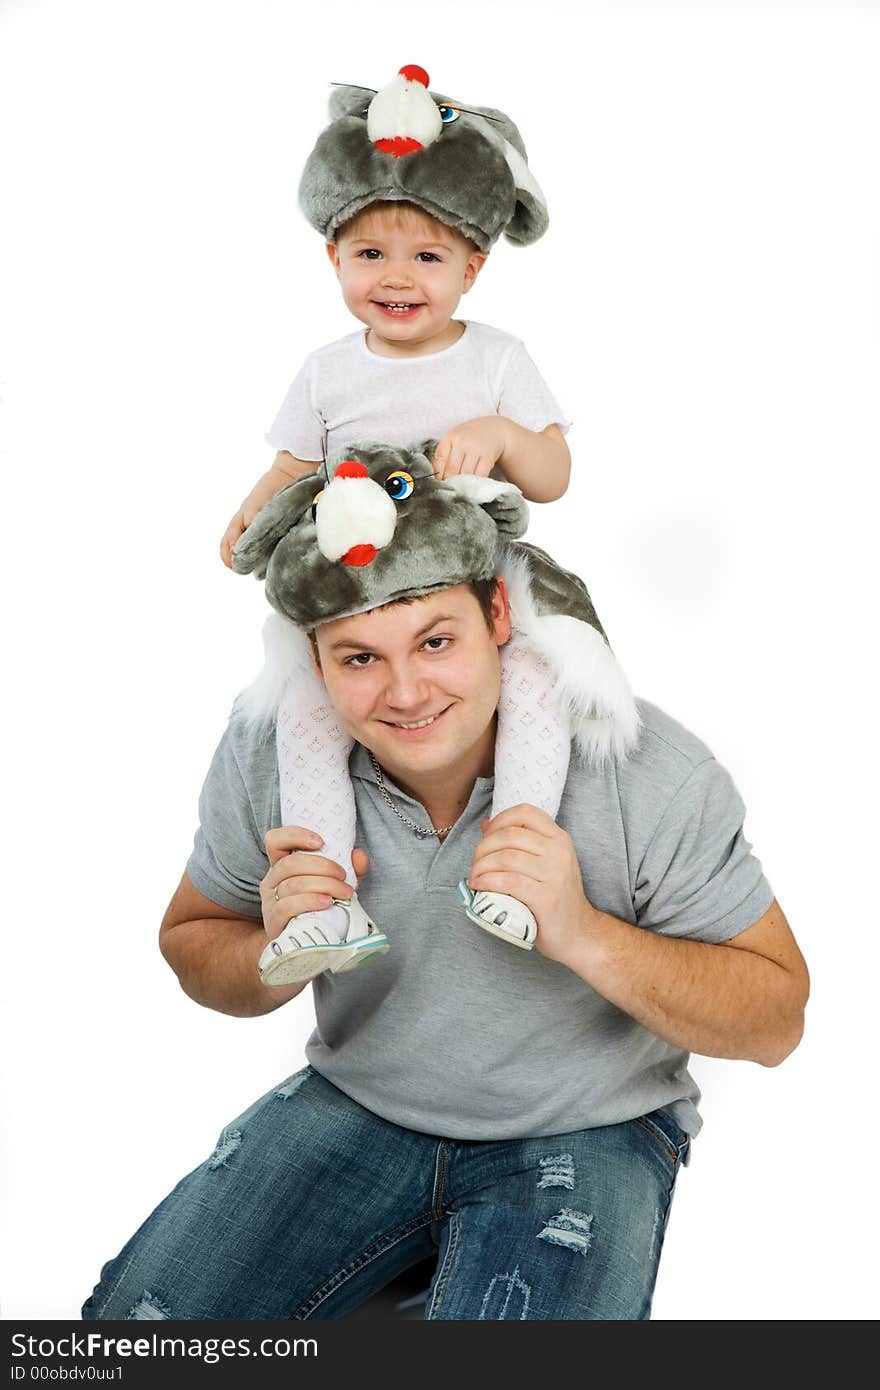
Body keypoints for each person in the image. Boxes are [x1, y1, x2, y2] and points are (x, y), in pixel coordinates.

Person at [81, 449, 809, 1322]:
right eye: (358, 658)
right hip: (360, 1102)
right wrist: (269, 951)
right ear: (315, 662)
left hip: (586, 1127)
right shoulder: (271, 753)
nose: (406, 691)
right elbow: (192, 939)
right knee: (126, 1340)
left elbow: (777, 1020)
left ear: (498, 612)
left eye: (435, 640)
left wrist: (581, 931)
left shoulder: (644, 767)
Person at [218, 64, 604, 971]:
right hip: (355, 582)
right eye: (371, 256)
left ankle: (514, 863)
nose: (398, 279)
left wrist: (503, 432)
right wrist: (246, 517)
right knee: (307, 711)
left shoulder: (498, 359)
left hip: (471, 572)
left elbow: (552, 477)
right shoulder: (327, 370)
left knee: (540, 682)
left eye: (427, 258)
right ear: (334, 259)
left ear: (473, 266)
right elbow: (290, 465)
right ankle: (325, 902)